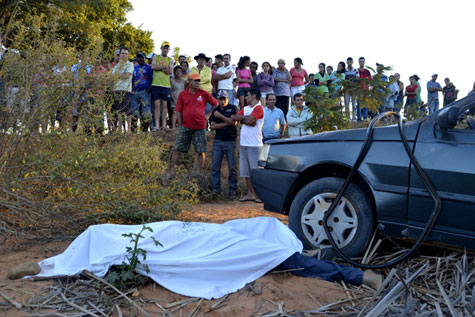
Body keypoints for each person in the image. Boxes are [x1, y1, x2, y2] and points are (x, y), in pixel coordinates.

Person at [169, 73, 218, 178]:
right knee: (177, 149)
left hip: (200, 127)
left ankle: (199, 173)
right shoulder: (183, 94)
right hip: (185, 127)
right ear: (189, 82)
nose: (198, 83)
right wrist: (180, 125)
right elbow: (178, 110)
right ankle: (172, 171)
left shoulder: (204, 93)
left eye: (199, 81)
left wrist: (208, 114)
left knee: (201, 151)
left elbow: (216, 103)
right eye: (195, 80)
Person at [231, 89, 265, 202]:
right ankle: (250, 194)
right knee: (246, 172)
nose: (245, 98)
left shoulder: (259, 108)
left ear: (254, 96)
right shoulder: (246, 109)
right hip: (244, 144)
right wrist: (247, 119)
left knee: (256, 172)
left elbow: (250, 120)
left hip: (255, 145)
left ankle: (260, 195)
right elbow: (234, 117)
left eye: (248, 95)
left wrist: (245, 119)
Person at [209, 90, 238, 199]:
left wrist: (220, 117)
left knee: (232, 167)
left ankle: (232, 190)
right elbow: (212, 126)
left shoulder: (233, 108)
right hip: (218, 141)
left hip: (231, 141)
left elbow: (234, 123)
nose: (222, 101)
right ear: (217, 99)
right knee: (215, 167)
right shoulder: (215, 110)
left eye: (224, 99)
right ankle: (216, 190)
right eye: (220, 99)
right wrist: (227, 122)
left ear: (228, 99)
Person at [151, 41, 174, 130]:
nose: (165, 50)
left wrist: (160, 68)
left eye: (167, 48)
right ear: (161, 48)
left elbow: (171, 71)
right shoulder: (155, 57)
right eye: (164, 48)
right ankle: (156, 125)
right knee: (156, 105)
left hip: (166, 85)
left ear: (169, 49)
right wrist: (164, 67)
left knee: (164, 105)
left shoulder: (170, 59)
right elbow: (153, 66)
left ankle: (164, 125)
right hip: (156, 84)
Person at [110, 46, 134, 133]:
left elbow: (127, 75)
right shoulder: (116, 66)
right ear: (119, 54)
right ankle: (119, 129)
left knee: (128, 111)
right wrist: (121, 74)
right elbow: (112, 77)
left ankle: (129, 130)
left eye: (126, 54)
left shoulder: (130, 64)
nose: (124, 55)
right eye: (122, 53)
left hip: (126, 90)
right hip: (116, 89)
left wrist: (118, 75)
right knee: (119, 110)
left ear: (128, 55)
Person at [131, 52, 153, 132]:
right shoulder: (134, 68)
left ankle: (145, 130)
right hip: (135, 92)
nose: (140, 59)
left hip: (145, 91)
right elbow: (132, 79)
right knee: (135, 111)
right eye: (139, 57)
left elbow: (152, 79)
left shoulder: (149, 68)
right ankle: (134, 131)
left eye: (142, 57)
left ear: (145, 58)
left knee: (146, 112)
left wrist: (148, 90)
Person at [170, 65, 186, 130]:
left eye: (180, 71)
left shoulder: (184, 81)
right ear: (174, 72)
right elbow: (170, 91)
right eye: (177, 71)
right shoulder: (171, 80)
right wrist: (174, 99)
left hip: (183, 100)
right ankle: (173, 127)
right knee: (175, 112)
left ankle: (181, 126)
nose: (178, 72)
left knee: (182, 113)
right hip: (174, 98)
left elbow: (186, 90)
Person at [357, 57, 372, 121]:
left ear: (364, 62)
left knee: (365, 105)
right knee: (359, 104)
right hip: (359, 90)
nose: (362, 62)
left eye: (363, 61)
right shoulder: (357, 70)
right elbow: (356, 79)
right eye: (360, 61)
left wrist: (367, 79)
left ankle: (365, 118)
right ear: (358, 62)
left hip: (366, 90)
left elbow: (371, 79)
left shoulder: (367, 71)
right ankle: (359, 118)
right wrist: (363, 78)